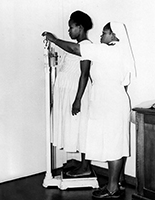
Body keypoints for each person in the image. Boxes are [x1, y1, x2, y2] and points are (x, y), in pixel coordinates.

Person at [42, 21, 136, 198]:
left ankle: (113, 189)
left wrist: (53, 40)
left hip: (110, 103)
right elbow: (125, 84)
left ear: (115, 35)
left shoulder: (107, 50)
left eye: (105, 33)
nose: (101, 36)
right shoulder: (119, 52)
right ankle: (117, 182)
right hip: (115, 101)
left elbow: (76, 49)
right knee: (114, 143)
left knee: (113, 145)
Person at [52, 10, 93, 177]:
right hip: (67, 93)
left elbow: (84, 74)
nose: (69, 31)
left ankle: (85, 166)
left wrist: (77, 100)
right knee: (74, 128)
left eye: (71, 27)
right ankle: (82, 166)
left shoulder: (86, 46)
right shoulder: (75, 46)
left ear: (80, 27)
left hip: (77, 93)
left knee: (82, 128)